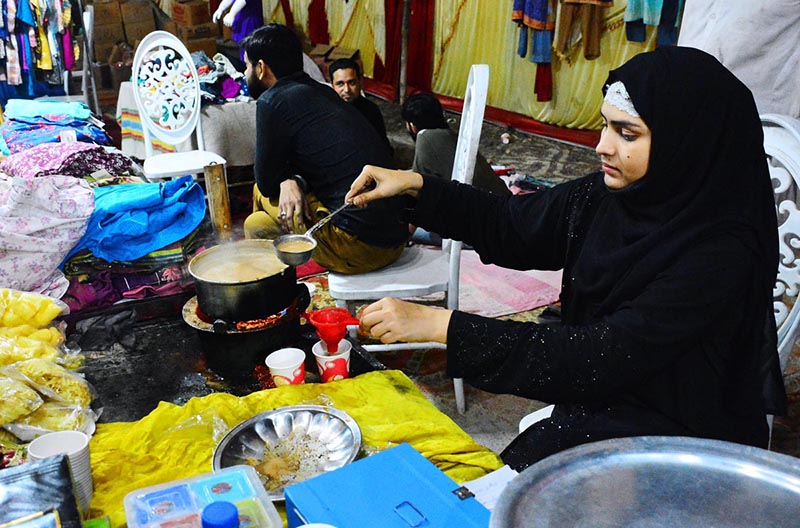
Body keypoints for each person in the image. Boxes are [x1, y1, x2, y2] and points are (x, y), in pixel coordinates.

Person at [346, 47, 787, 470]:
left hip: (681, 435)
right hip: (609, 399)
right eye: (605, 126)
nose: (602, 146)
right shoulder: (613, 196)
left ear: (686, 144)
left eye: (627, 134)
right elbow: (512, 224)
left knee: (514, 485)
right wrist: (416, 187)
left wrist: (442, 326)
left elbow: (597, 357)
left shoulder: (722, 252)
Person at [240, 24, 408, 274]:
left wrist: (287, 179)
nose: (245, 74)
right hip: (396, 239)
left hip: (357, 246)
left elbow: (266, 183)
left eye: (247, 66)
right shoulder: (323, 92)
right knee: (257, 224)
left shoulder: (272, 101)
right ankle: (274, 262)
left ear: (261, 68)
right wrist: (290, 179)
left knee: (259, 191)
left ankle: (263, 277)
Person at [402, 92, 510, 197]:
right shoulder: (450, 136)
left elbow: (418, 184)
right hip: (503, 198)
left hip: (486, 205)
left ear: (412, 125)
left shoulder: (425, 138)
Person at [329, 58, 392, 152]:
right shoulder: (326, 111)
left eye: (352, 83)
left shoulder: (371, 110)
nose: (347, 90)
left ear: (360, 82)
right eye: (340, 84)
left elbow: (382, 146)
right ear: (332, 85)